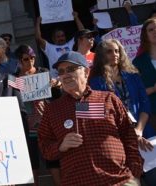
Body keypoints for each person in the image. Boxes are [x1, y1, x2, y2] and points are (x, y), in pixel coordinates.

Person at [38, 51, 143, 186]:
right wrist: (61, 146)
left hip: (119, 180)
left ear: (86, 72)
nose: (65, 75)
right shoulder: (52, 110)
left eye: (71, 69)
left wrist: (134, 173)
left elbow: (129, 136)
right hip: (78, 182)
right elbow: (44, 146)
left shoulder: (108, 99)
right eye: (61, 71)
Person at [13, 44, 50, 186]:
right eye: (26, 59)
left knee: (53, 161)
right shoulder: (13, 79)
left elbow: (55, 95)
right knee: (33, 162)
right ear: (19, 61)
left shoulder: (43, 71)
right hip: (27, 125)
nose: (30, 61)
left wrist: (55, 84)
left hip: (46, 122)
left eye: (32, 58)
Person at [132, 18, 156, 185]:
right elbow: (137, 94)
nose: (155, 33)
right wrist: (154, 88)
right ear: (145, 35)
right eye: (151, 30)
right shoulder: (138, 62)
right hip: (153, 113)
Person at [35, 11, 84, 77]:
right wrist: (38, 23)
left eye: (62, 36)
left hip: (71, 76)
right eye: (58, 36)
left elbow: (83, 33)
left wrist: (76, 18)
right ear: (53, 38)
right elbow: (38, 38)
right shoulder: (49, 47)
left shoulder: (70, 44)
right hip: (57, 80)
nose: (61, 38)